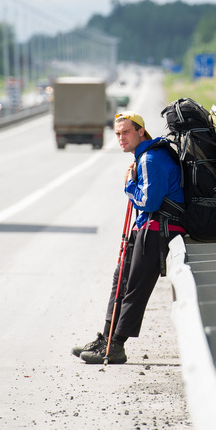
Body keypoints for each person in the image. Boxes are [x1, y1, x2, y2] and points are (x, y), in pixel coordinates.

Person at [73, 111, 185, 364]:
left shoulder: (151, 159)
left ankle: (116, 346)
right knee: (120, 279)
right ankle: (107, 338)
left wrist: (128, 185)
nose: (121, 138)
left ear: (140, 132)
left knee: (134, 286)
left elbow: (149, 201)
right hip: (147, 227)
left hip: (159, 230)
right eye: (117, 134)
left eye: (126, 132)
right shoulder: (146, 156)